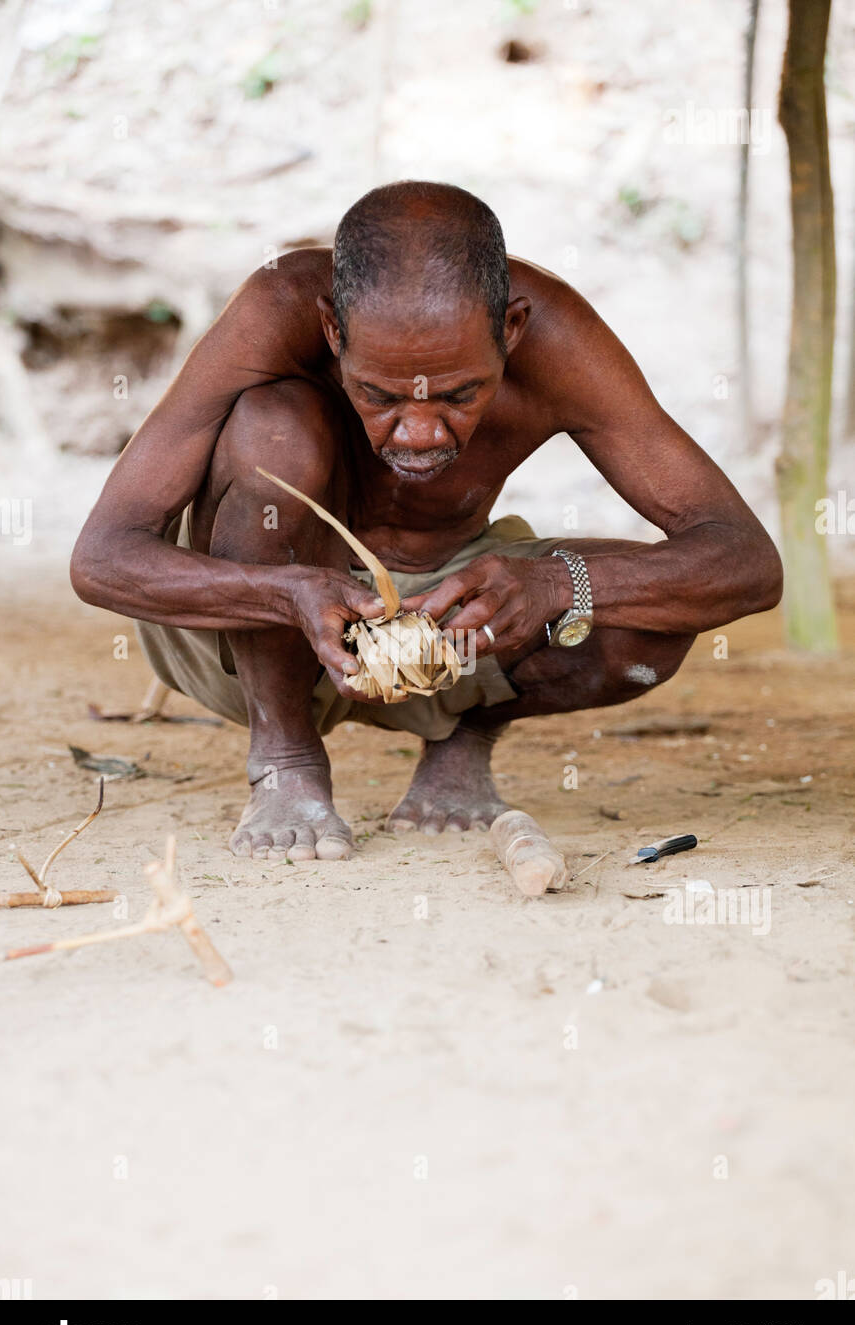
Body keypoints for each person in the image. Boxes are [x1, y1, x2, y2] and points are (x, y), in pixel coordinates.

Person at [70, 181, 783, 861]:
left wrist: (556, 584)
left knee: (644, 613)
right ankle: (285, 756)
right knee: (274, 429)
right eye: (378, 396)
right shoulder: (276, 309)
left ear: (511, 330)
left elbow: (746, 561)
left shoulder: (561, 340)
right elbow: (102, 557)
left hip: (456, 634)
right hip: (253, 625)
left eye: (459, 395)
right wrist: (284, 592)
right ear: (331, 330)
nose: (417, 433)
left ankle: (464, 737)